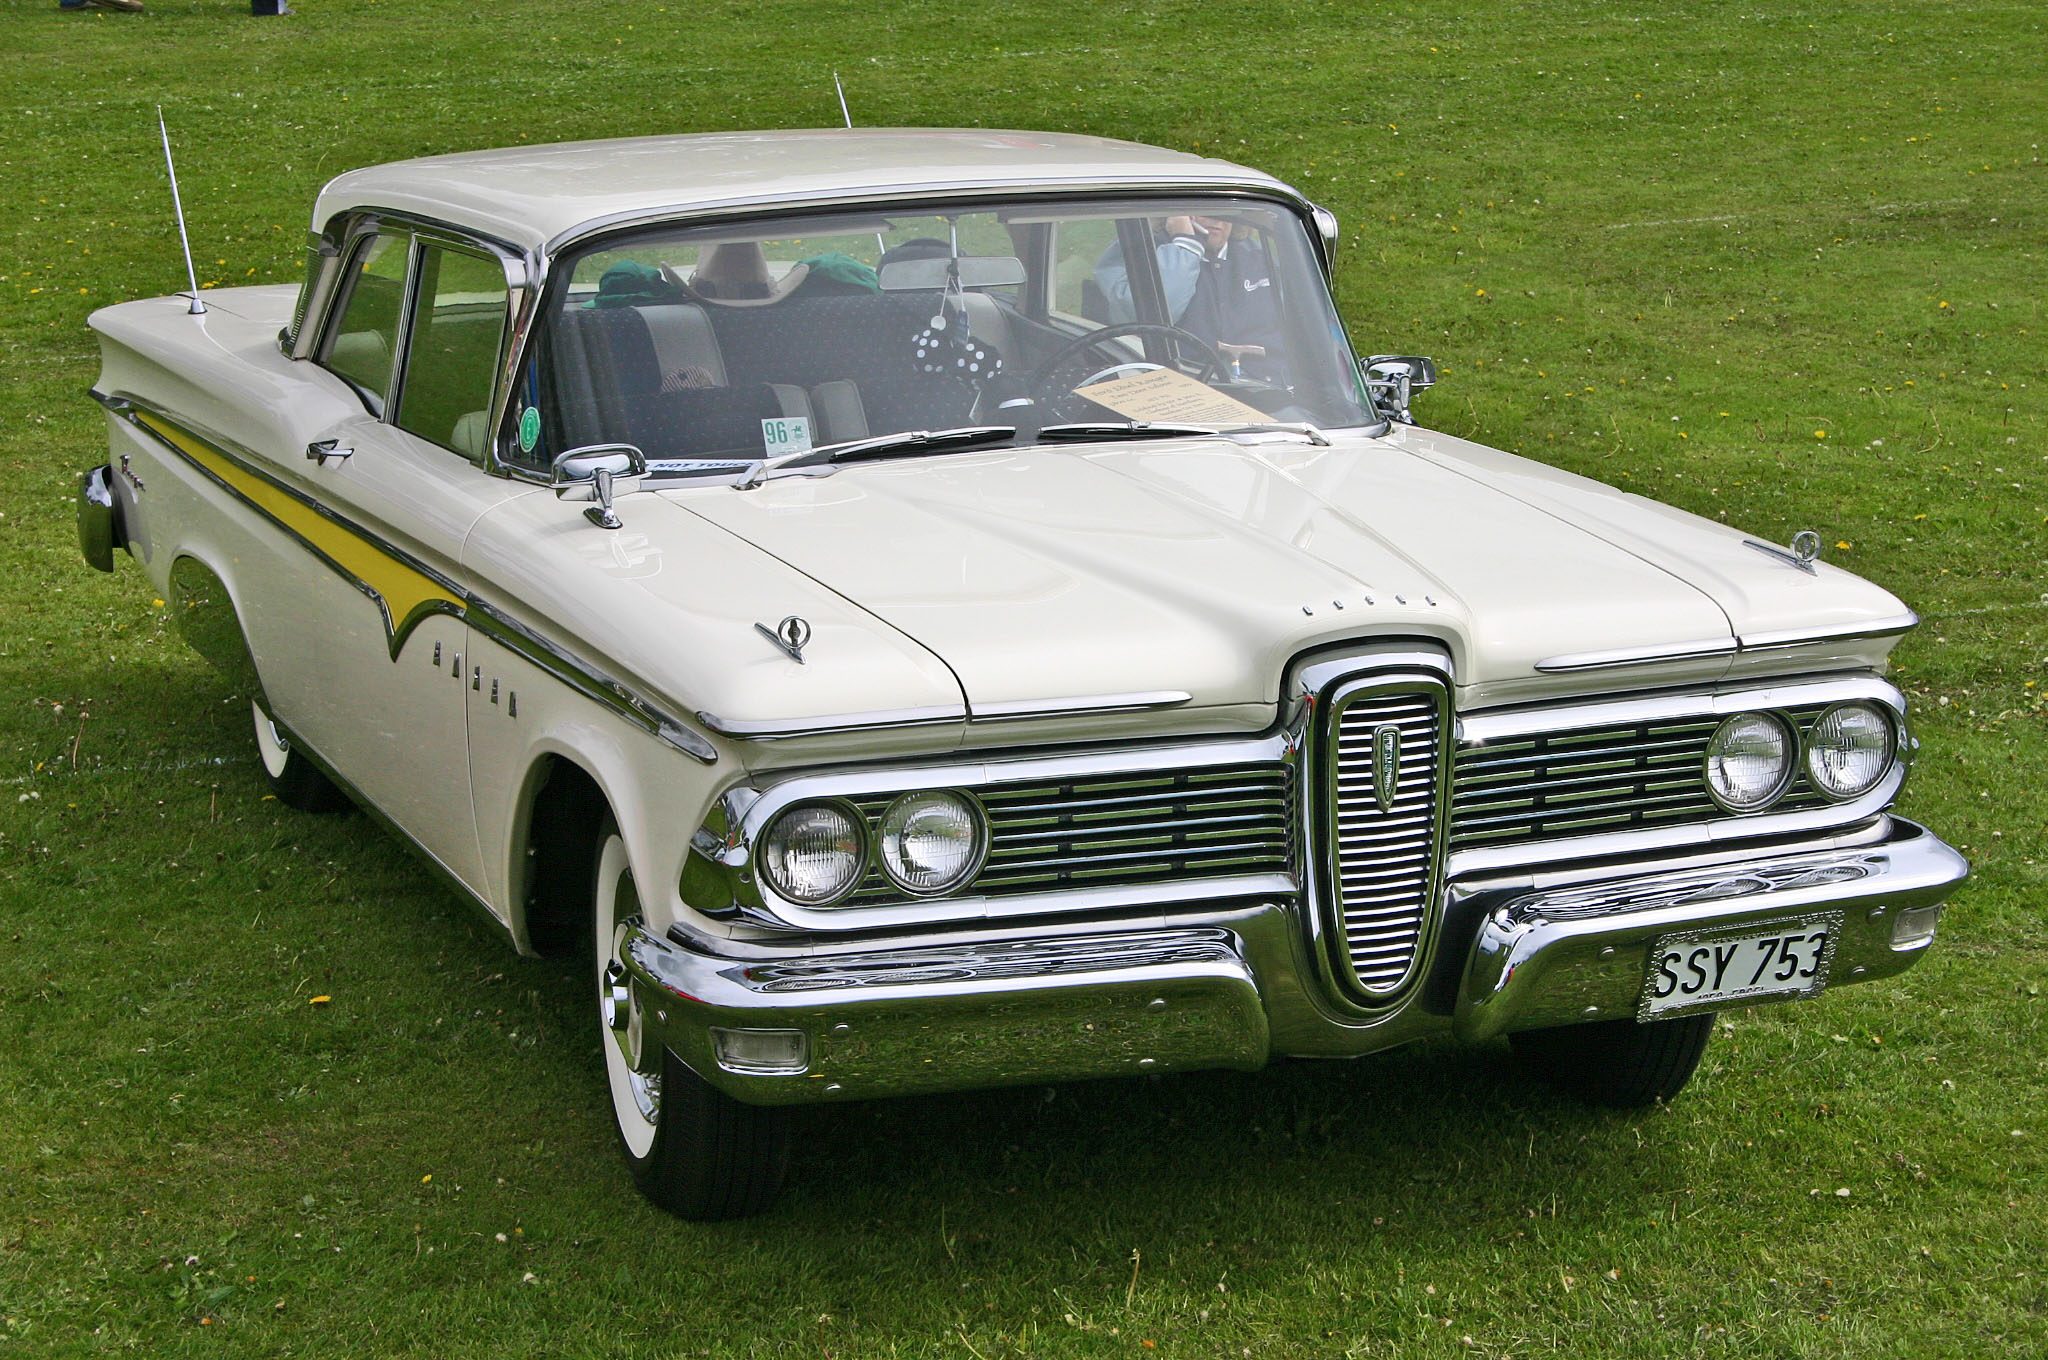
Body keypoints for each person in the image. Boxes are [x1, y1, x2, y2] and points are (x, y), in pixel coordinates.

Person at [1091, 214, 1284, 379]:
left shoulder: (1260, 258)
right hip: (1173, 389)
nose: (1215, 219)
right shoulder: (1139, 251)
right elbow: (1145, 317)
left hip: (1265, 391)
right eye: (1203, 209)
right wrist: (1186, 245)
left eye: (1223, 212)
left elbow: (1299, 328)